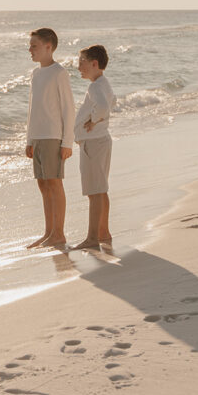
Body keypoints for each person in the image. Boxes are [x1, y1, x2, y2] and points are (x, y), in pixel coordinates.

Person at [24, 27, 75, 248]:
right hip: (37, 137)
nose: (30, 50)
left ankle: (59, 233)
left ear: (48, 47)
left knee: (55, 184)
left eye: (34, 46)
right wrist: (28, 139)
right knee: (43, 185)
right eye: (30, 46)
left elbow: (68, 109)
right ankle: (48, 232)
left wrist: (67, 142)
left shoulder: (59, 73)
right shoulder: (35, 74)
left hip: (53, 136)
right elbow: (31, 109)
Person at [71, 44, 116, 251]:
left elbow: (105, 107)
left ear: (94, 63)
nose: (78, 66)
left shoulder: (95, 86)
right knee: (100, 189)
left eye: (82, 62)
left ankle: (92, 238)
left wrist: (93, 120)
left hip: (94, 142)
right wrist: (97, 120)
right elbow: (112, 101)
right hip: (101, 140)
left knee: (94, 191)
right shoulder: (103, 83)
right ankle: (103, 233)